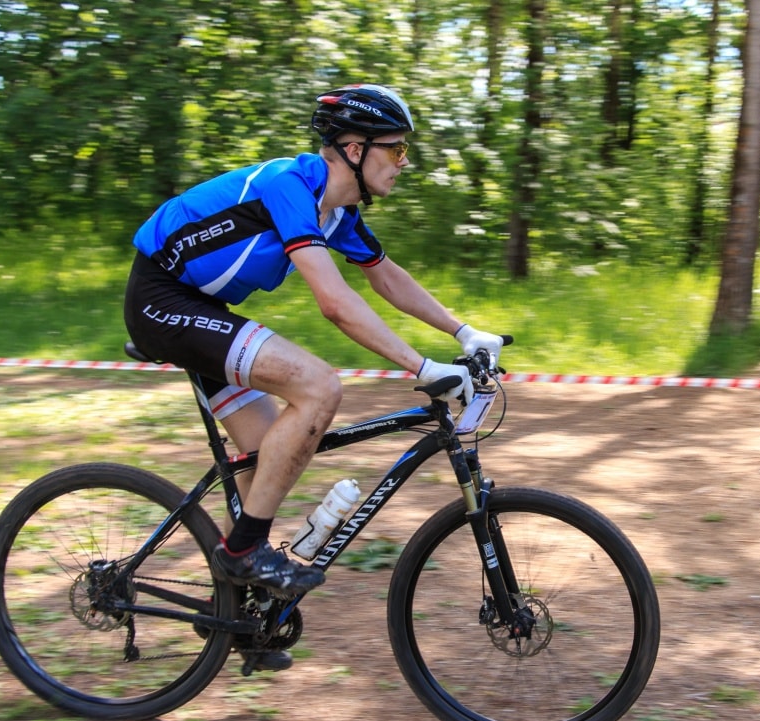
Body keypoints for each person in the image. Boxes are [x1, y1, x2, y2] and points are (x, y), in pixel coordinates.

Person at [123, 84, 503, 669]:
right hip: (162, 300)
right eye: (396, 151)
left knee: (263, 456)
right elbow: (334, 301)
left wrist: (463, 332)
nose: (404, 163)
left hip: (202, 310)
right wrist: (423, 368)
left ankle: (234, 615)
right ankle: (241, 555)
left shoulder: (337, 211)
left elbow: (384, 276)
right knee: (319, 386)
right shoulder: (289, 187)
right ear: (354, 148)